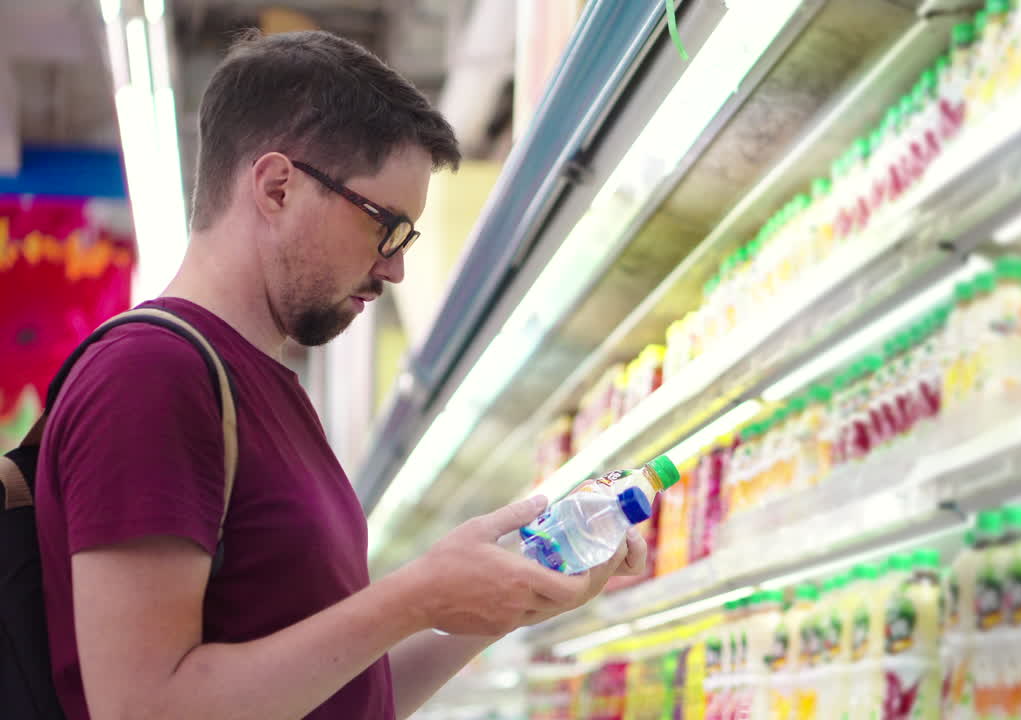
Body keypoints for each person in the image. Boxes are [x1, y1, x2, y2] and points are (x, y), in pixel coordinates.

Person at [34, 29, 644, 720]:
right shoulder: (151, 376)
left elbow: (345, 695)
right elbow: (145, 708)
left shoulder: (267, 391)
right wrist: (414, 596)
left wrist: (504, 599)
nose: (395, 268)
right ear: (276, 187)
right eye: (386, 226)